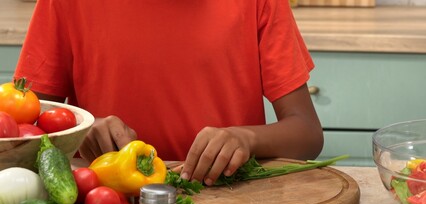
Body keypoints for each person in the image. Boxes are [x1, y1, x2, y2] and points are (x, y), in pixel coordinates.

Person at [14, 0, 323, 186]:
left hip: (227, 199)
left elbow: (307, 134)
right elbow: (22, 133)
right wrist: (81, 129)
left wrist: (247, 139)